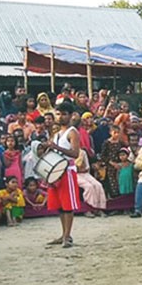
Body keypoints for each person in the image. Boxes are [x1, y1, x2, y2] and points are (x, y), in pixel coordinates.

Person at [43, 102, 81, 248]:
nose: (60, 117)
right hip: (56, 170)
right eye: (58, 114)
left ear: (70, 116)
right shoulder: (57, 133)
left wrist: (55, 147)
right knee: (59, 205)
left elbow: (75, 153)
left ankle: (67, 235)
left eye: (64, 114)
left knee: (68, 205)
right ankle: (64, 233)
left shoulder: (72, 132)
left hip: (67, 171)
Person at [75, 148, 106, 217]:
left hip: (85, 173)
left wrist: (83, 169)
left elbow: (87, 167)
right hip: (74, 175)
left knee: (98, 185)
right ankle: (88, 209)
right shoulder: (68, 152)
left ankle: (99, 208)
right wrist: (78, 169)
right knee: (88, 186)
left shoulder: (82, 152)